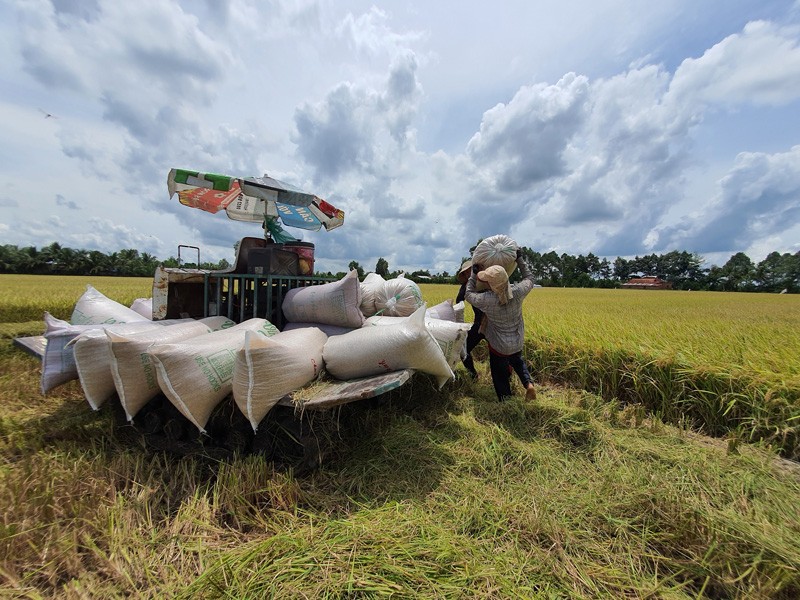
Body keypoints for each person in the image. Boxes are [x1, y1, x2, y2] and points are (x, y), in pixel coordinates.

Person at [465, 249, 537, 401]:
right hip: (517, 341)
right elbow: (530, 278)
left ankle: (506, 401)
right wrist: (519, 259)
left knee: (499, 374)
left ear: (491, 285)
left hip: (499, 347)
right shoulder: (517, 292)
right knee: (517, 360)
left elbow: (468, 294)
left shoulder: (487, 299)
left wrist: (473, 273)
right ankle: (528, 384)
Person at [456, 259, 484, 378]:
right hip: (479, 325)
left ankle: (507, 378)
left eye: (470, 271)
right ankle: (473, 375)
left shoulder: (486, 281)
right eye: (466, 273)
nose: (469, 274)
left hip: (494, 324)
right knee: (463, 349)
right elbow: (458, 302)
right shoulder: (466, 286)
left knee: (502, 354)